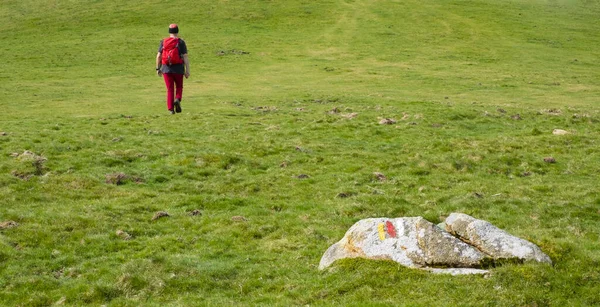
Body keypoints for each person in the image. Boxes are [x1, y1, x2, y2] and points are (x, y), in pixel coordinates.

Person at [156, 24, 190, 114]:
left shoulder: (163, 41)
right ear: (177, 31)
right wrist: (187, 70)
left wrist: (157, 68)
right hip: (178, 68)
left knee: (170, 89)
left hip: (166, 69)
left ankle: (171, 109)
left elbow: (159, 56)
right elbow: (185, 57)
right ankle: (177, 99)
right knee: (179, 86)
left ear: (169, 32)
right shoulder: (181, 42)